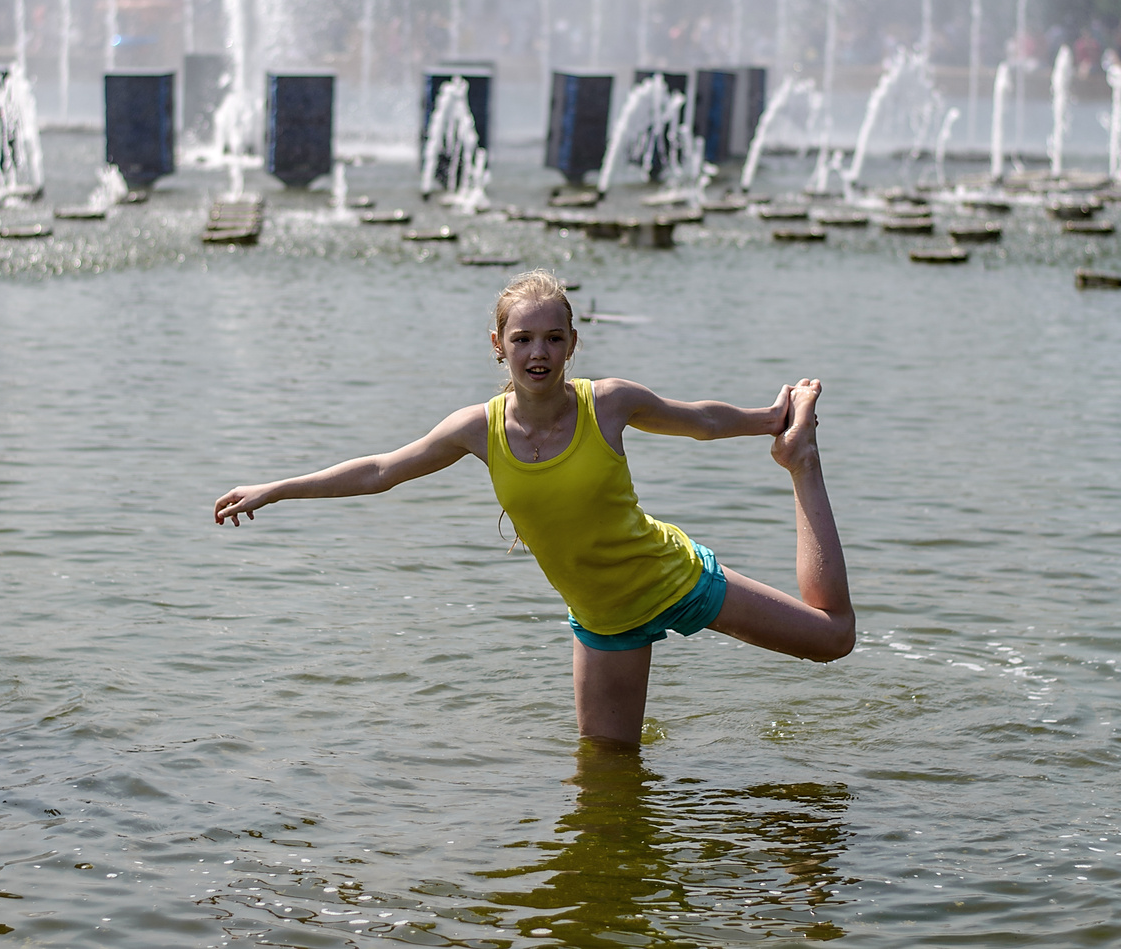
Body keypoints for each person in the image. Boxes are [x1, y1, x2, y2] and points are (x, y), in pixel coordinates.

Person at [214, 270, 853, 745]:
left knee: (833, 639)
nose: (538, 352)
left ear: (572, 342)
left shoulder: (608, 403)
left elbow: (700, 422)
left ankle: (804, 465)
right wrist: (276, 488)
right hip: (603, 622)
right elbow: (382, 470)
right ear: (498, 344)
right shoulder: (477, 430)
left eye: (552, 338)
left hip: (671, 577)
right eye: (523, 339)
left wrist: (773, 421)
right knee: (607, 773)